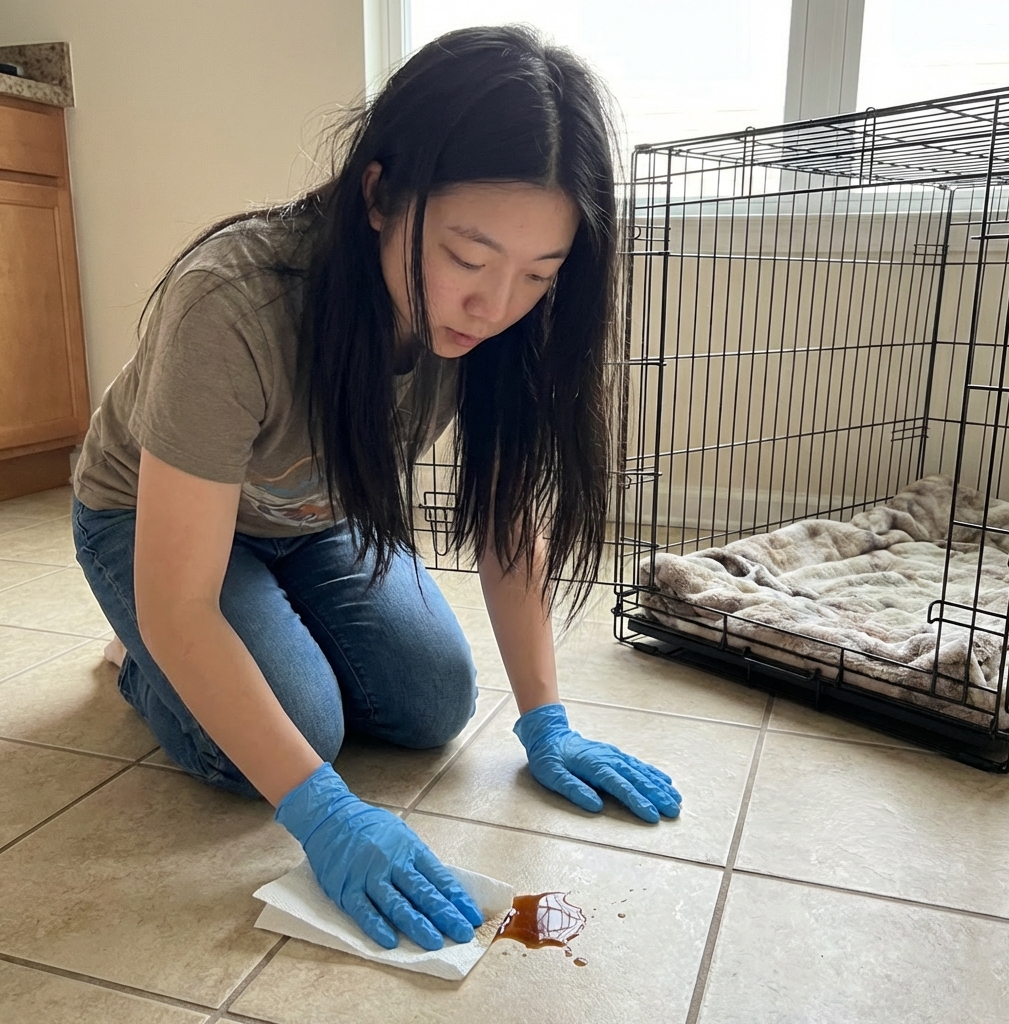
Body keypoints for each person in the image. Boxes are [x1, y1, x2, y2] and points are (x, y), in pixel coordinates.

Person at [72, 24, 681, 954]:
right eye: (468, 260)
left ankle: (259, 622)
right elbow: (182, 599)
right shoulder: (232, 301)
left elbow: (509, 517)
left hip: (313, 516)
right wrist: (321, 812)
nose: (497, 305)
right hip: (149, 523)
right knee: (296, 734)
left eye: (538, 275)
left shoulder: (508, 321)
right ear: (378, 194)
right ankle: (134, 663)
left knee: (435, 701)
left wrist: (546, 720)